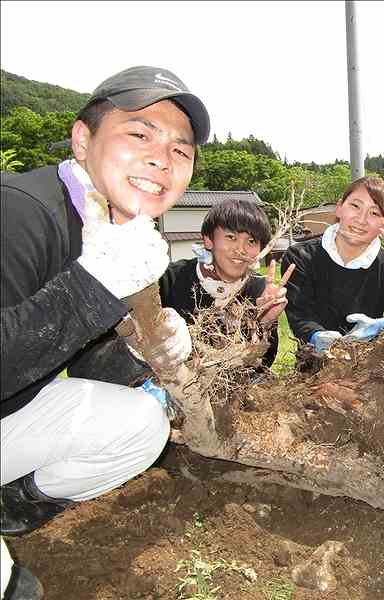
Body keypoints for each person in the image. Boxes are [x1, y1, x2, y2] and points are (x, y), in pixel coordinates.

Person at [1, 65, 210, 598]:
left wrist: (144, 348)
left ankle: (12, 505)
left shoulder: (113, 232)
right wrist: (92, 286)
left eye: (180, 151)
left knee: (142, 424)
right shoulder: (20, 212)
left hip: (12, 408)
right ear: (82, 137)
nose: (161, 158)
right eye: (139, 134)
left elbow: (81, 356)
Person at [281, 175, 384, 353]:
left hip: (369, 369)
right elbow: (300, 315)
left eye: (374, 213)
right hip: (312, 368)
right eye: (355, 206)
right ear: (339, 208)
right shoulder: (301, 257)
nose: (361, 220)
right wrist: (317, 336)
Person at [158, 197, 290, 371]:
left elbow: (261, 366)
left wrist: (264, 322)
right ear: (208, 240)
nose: (241, 249)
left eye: (251, 241)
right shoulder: (168, 280)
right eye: (231, 237)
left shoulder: (259, 289)